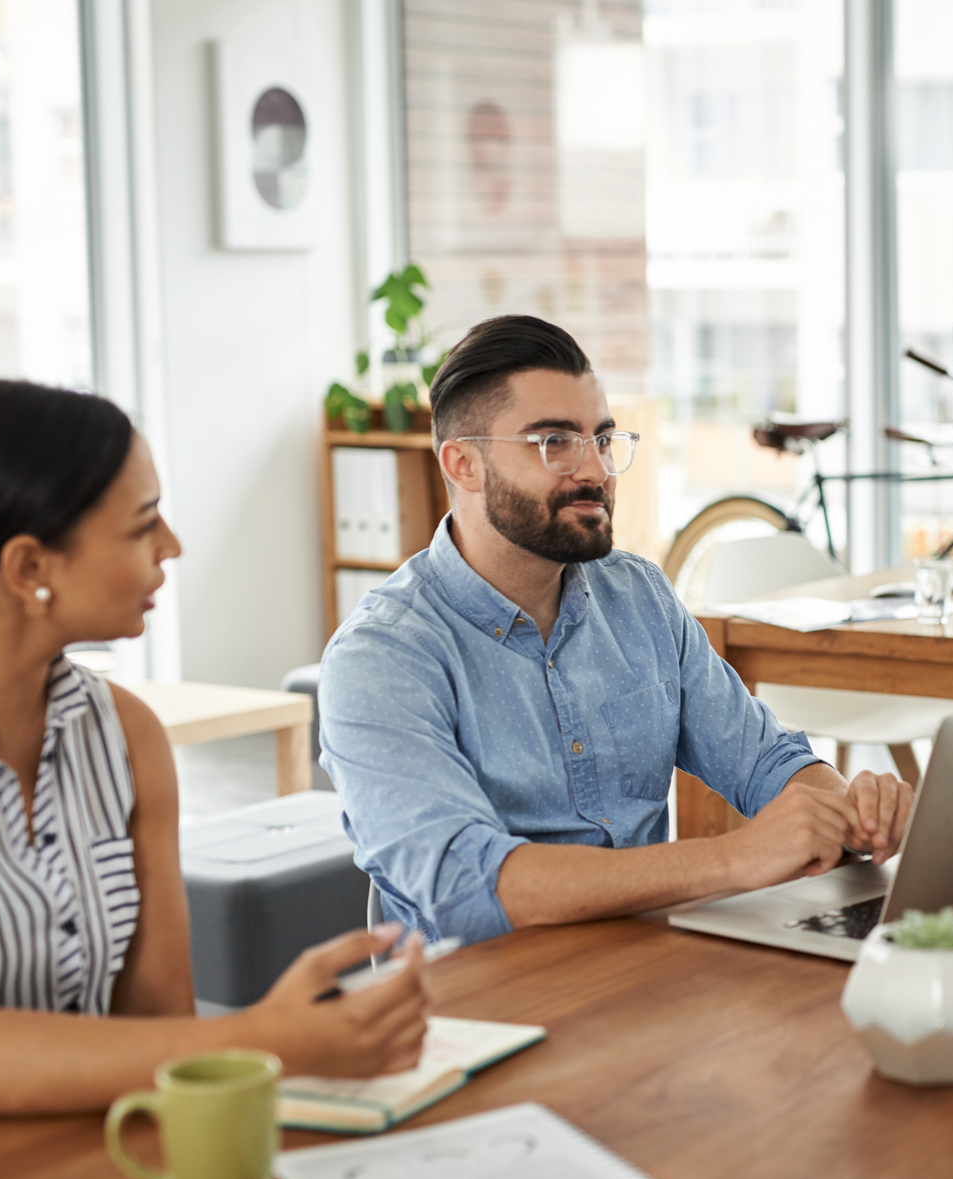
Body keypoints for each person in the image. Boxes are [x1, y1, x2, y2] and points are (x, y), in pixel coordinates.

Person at [0, 382, 428, 1136]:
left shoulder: (126, 736)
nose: (171, 546)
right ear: (28, 567)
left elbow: (158, 1024)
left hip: (94, 1151)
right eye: (143, 525)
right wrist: (270, 1036)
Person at [319, 315, 913, 946]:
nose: (595, 471)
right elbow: (466, 889)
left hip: (647, 968)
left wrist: (846, 810)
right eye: (554, 443)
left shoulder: (639, 597)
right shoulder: (380, 658)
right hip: (480, 1006)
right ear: (463, 464)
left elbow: (766, 760)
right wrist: (736, 859)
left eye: (601, 440)